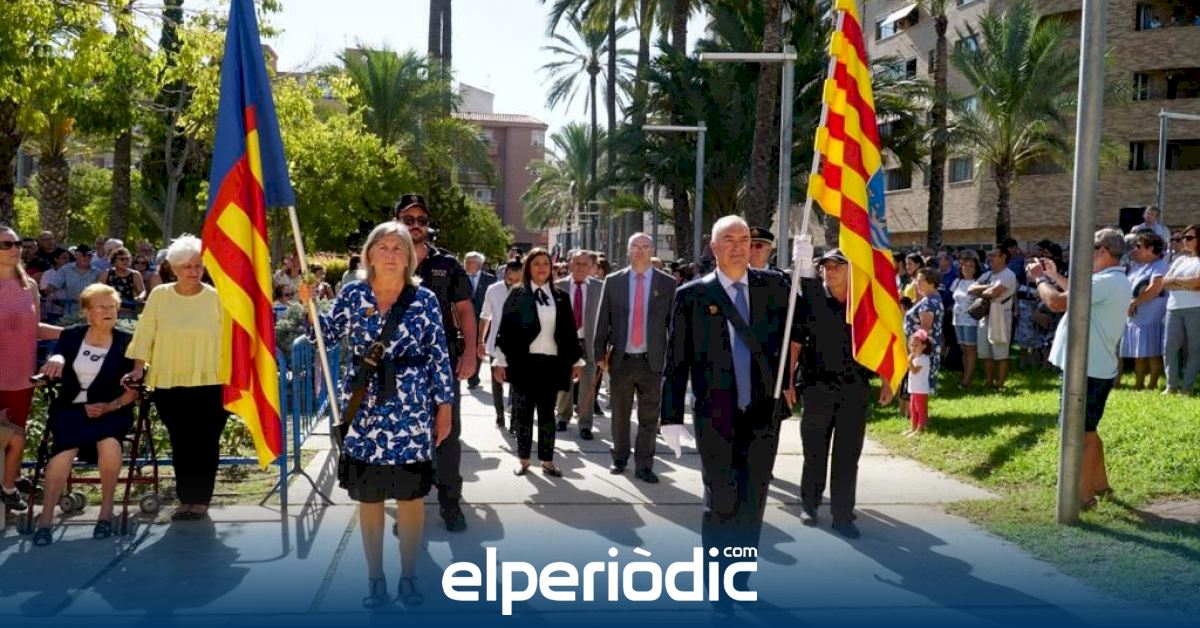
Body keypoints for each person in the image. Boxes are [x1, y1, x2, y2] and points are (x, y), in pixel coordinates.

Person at [300, 222, 453, 608]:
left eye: (398, 248)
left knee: (411, 497)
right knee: (369, 498)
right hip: (364, 411)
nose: (390, 254)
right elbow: (326, 336)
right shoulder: (353, 294)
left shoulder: (424, 299)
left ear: (409, 257)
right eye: (382, 247)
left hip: (411, 412)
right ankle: (375, 578)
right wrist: (309, 306)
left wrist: (445, 407)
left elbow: (438, 357)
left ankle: (409, 576)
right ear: (369, 254)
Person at [660, 216, 793, 608]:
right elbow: (675, 361)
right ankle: (717, 583)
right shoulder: (692, 295)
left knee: (752, 502)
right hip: (714, 415)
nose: (738, 246)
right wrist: (670, 417)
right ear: (713, 247)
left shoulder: (775, 287)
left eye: (745, 239)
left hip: (762, 413)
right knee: (721, 499)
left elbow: (805, 323)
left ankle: (739, 579)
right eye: (729, 240)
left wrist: (806, 273)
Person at [790, 247, 894, 539]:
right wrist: (788, 382)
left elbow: (881, 342)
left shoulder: (864, 304)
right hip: (816, 387)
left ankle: (843, 515)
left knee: (847, 455)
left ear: (851, 271)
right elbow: (795, 344)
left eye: (837, 266)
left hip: (854, 388)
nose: (830, 271)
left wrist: (887, 381)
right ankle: (809, 505)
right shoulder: (811, 299)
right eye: (826, 266)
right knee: (814, 452)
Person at [127, 234, 228, 522]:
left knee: (206, 442)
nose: (193, 271)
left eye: (198, 265)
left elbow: (232, 340)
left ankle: (201, 500)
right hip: (169, 382)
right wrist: (138, 368)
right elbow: (145, 333)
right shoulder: (159, 295)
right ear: (173, 268)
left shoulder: (217, 297)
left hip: (211, 381)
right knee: (181, 441)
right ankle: (186, 500)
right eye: (187, 266)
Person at [1028, 228, 1130, 510]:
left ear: (1103, 250)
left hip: (1087, 370)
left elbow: (1056, 302)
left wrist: (1039, 279)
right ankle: (1100, 485)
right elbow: (1077, 293)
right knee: (1088, 431)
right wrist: (1054, 276)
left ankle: (1083, 498)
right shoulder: (1112, 279)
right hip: (1093, 368)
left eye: (1090, 247)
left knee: (1079, 434)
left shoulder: (1105, 282)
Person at [393, 192, 476, 532]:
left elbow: (465, 310)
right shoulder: (385, 260)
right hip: (398, 364)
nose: (416, 225)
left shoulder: (448, 264)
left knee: (447, 434)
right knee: (402, 434)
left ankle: (450, 503)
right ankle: (407, 505)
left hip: (441, 363)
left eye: (422, 220)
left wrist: (470, 353)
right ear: (396, 221)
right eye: (408, 219)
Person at [32, 284, 138, 545]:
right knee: (63, 453)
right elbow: (57, 356)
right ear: (88, 312)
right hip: (71, 410)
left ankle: (105, 514)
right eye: (101, 307)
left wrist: (109, 406)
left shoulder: (126, 341)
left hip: (111, 410)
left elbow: (133, 392)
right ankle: (45, 520)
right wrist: (56, 358)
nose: (108, 311)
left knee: (110, 443)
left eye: (112, 307)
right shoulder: (71, 336)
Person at [493, 248, 582, 478]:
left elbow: (569, 331)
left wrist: (576, 361)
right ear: (528, 268)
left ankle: (547, 460)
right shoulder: (517, 293)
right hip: (523, 362)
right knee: (523, 413)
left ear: (551, 268)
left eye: (545, 263)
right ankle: (523, 459)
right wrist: (500, 361)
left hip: (551, 363)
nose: (542, 268)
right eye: (536, 263)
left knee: (547, 414)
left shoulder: (560, 296)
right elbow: (506, 329)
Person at [594, 233, 676, 483]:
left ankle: (644, 465)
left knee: (649, 417)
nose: (640, 251)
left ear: (652, 251)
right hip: (622, 360)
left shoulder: (667, 283)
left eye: (645, 246)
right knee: (620, 413)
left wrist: (673, 359)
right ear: (628, 251)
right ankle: (619, 458)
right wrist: (599, 354)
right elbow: (602, 320)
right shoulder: (614, 281)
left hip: (652, 361)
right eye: (635, 246)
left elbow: (673, 324)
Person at [0, 225, 62, 512]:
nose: (15, 249)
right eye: (6, 244)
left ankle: (10, 482)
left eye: (17, 244)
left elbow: (34, 329)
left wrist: (73, 333)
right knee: (9, 436)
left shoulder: (29, 286)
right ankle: (9, 486)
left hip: (22, 377)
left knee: (16, 436)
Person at [554, 249, 603, 439]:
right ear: (570, 265)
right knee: (564, 382)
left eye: (585, 264)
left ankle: (585, 423)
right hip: (565, 343)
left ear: (591, 267)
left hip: (589, 343)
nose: (580, 268)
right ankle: (562, 417)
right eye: (577, 263)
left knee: (588, 385)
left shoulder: (600, 287)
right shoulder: (558, 286)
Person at [1120, 232, 1169, 390]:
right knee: (1139, 352)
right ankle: (1139, 383)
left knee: (1152, 351)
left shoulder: (1160, 265)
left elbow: (1155, 288)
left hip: (1151, 314)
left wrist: (1135, 302)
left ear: (1151, 248)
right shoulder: (1139, 266)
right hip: (1136, 314)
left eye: (1139, 246)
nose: (1136, 249)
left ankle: (1152, 384)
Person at [479, 260, 523, 431]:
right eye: (511, 279)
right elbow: (485, 316)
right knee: (497, 383)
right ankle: (499, 415)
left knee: (517, 384)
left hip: (519, 346)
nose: (514, 283)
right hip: (496, 345)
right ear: (505, 274)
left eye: (518, 280)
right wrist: (480, 341)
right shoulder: (493, 290)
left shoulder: (528, 290)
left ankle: (514, 419)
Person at [968, 248, 1017, 390]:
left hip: (1001, 316)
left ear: (1003, 257)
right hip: (985, 316)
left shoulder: (1009, 275)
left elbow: (993, 293)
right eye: (989, 256)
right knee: (986, 352)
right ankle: (988, 382)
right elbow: (971, 289)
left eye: (994, 255)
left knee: (1001, 352)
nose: (990, 258)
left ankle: (1000, 385)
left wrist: (983, 290)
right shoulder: (988, 274)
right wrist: (989, 286)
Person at [1162, 224, 1200, 394]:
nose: (1185, 241)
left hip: (1196, 308)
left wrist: (1176, 281)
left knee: (1194, 349)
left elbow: (1197, 283)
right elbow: (1165, 282)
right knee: (1169, 347)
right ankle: (1171, 385)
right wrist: (1187, 284)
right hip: (1173, 308)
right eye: (1184, 237)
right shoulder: (1180, 260)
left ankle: (1187, 387)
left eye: (1189, 238)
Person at [903, 267, 944, 392]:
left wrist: (914, 351)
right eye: (917, 280)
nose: (917, 283)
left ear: (931, 282)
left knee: (919, 388)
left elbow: (924, 330)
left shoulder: (929, 302)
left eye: (920, 280)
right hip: (923, 350)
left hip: (921, 352)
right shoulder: (931, 298)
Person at [950, 250, 982, 387]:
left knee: (970, 349)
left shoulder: (977, 283)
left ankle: (968, 380)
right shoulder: (957, 281)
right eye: (964, 266)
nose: (967, 269)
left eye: (970, 266)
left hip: (971, 321)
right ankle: (965, 374)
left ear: (975, 269)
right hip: (957, 320)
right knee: (963, 348)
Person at [464, 251, 495, 390]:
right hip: (463, 319)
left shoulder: (490, 280)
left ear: (478, 264)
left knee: (478, 347)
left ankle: (473, 377)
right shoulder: (460, 277)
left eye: (470, 262)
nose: (466, 264)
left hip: (482, 320)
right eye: (466, 262)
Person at [47, 245, 101, 317]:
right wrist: (51, 294)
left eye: (89, 256)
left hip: (90, 313)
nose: (87, 258)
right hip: (70, 313)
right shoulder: (66, 269)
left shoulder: (97, 272)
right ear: (76, 256)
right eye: (84, 255)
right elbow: (52, 285)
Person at [98, 246, 146, 317]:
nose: (125, 261)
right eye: (122, 259)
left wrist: (140, 297)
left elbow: (142, 291)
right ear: (114, 261)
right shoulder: (107, 273)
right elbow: (97, 291)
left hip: (129, 311)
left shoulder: (135, 274)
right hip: (109, 311)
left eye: (127, 259)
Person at [906, 329, 933, 437]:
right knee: (912, 408)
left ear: (924, 346)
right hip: (914, 389)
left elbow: (914, 371)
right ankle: (913, 427)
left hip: (921, 390)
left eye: (916, 345)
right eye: (911, 345)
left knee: (920, 409)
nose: (913, 348)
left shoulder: (924, 359)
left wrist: (909, 362)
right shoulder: (915, 358)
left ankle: (921, 428)